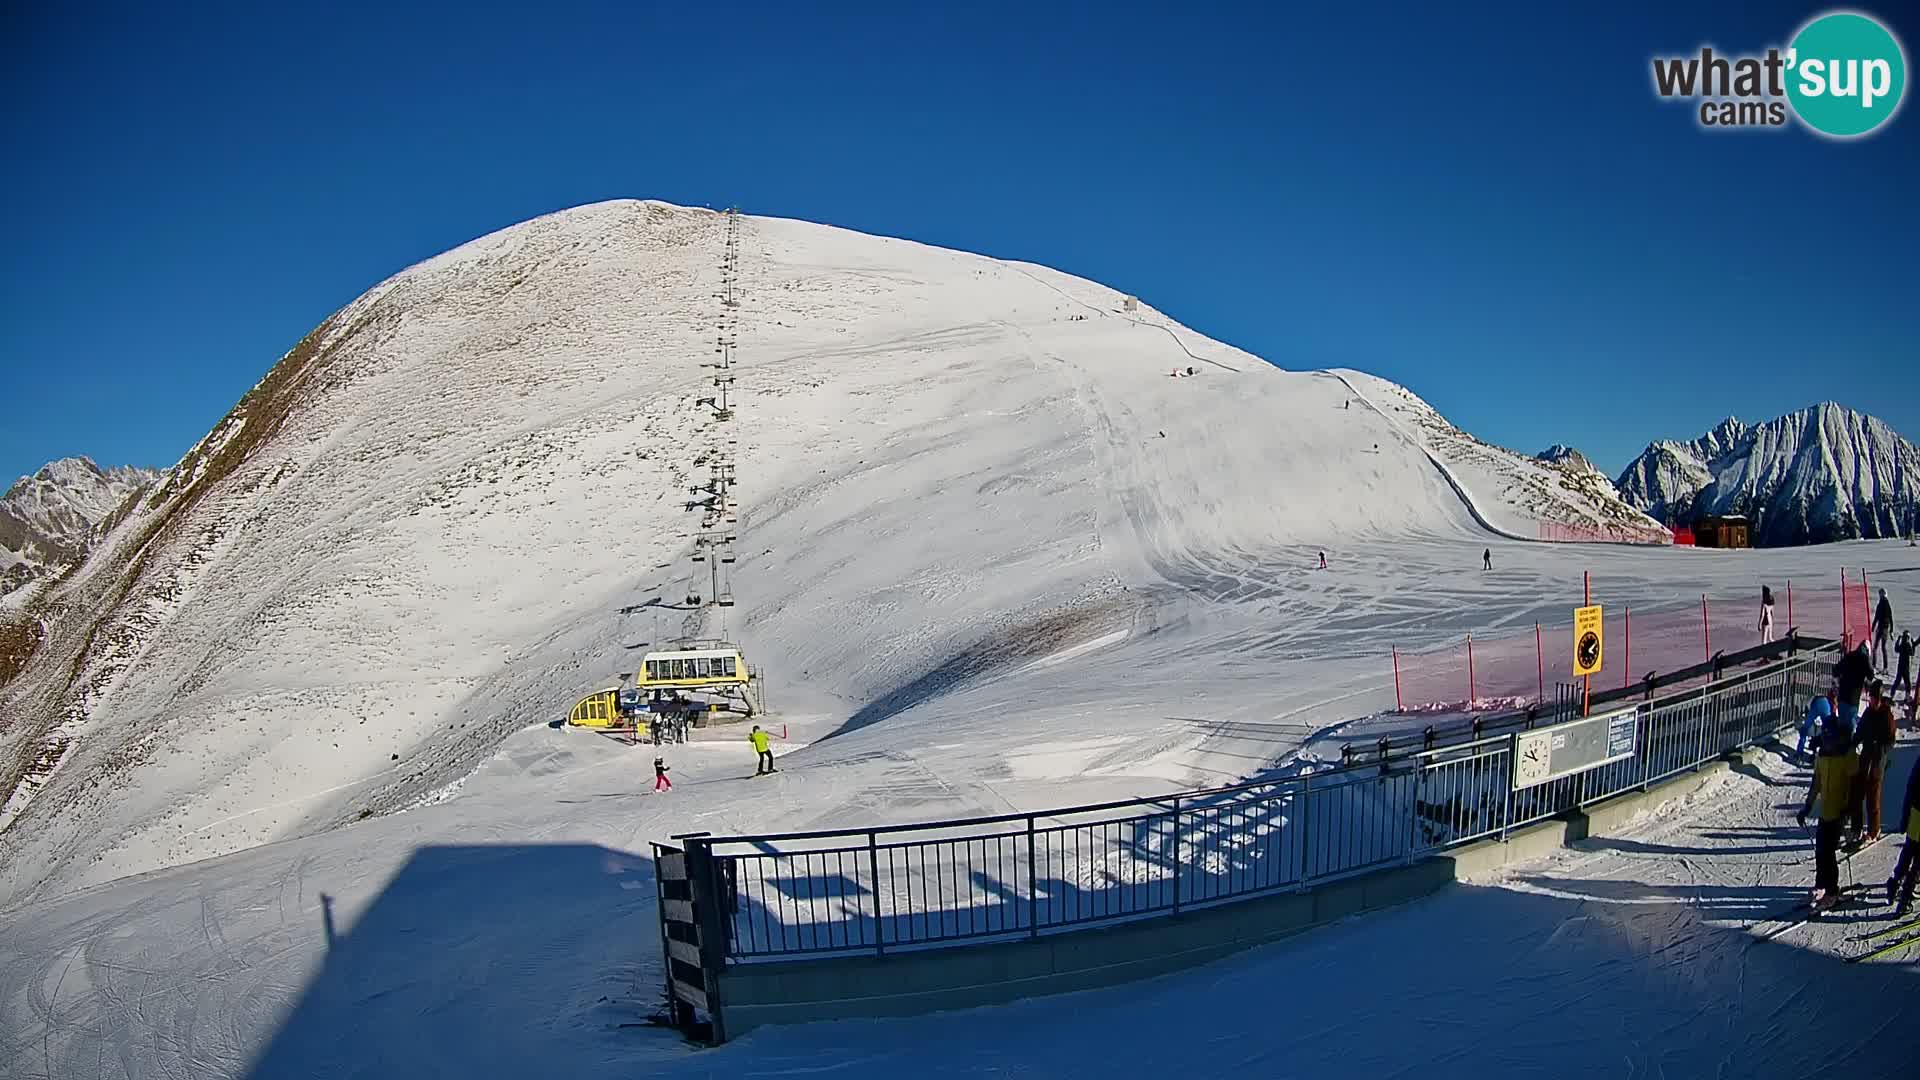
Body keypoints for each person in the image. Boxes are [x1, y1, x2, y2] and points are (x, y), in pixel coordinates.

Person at [1798, 712, 1860, 910]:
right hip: (1826, 810)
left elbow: (1855, 784)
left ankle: (1832, 891)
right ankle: (1822, 885)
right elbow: (1816, 783)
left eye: (1830, 738)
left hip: (1840, 811)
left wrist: (1850, 811)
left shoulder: (1846, 754)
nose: (1827, 743)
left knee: (1828, 853)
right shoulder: (1822, 755)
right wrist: (1807, 807)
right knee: (1821, 851)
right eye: (1825, 739)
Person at [1852, 681, 1897, 843]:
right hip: (1865, 757)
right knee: (1857, 793)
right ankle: (1856, 828)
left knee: (1873, 795)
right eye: (1871, 698)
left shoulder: (1887, 715)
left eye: (1875, 699)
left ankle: (1873, 830)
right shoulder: (1868, 713)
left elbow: (1891, 740)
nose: (1873, 702)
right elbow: (1860, 731)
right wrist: (1853, 742)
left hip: (1877, 761)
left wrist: (1881, 748)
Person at [1888, 756, 1920, 916]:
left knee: (1909, 849)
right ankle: (1905, 898)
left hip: (1916, 813)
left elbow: (1911, 787)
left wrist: (1905, 817)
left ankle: (1894, 883)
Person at [1835, 642, 1873, 735]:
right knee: (1850, 727)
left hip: (1842, 696)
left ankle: (1838, 747)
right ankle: (1849, 748)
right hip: (1853, 699)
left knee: (1841, 725)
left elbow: (1836, 669)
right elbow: (1870, 675)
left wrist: (1838, 681)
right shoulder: (1864, 659)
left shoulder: (1849, 655)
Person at [1796, 693, 1834, 763]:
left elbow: (1808, 714)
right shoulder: (1823, 699)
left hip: (1816, 704)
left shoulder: (1807, 701)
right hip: (1825, 703)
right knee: (1827, 730)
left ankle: (1799, 753)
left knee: (1805, 729)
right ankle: (1826, 753)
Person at [1874, 589, 1895, 670]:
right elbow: (1891, 618)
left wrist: (1872, 627)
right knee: (1883, 647)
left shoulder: (1880, 604)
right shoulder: (1888, 604)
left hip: (1880, 628)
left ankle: (1874, 665)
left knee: (1875, 647)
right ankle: (1885, 667)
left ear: (1881, 595)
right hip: (1886, 629)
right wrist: (1891, 630)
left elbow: (1876, 617)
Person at [1896, 630, 1915, 701]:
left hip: (1900, 666)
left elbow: (1896, 649)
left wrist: (1898, 640)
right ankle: (1907, 697)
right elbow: (1912, 653)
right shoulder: (1908, 645)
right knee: (1908, 683)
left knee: (1897, 681)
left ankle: (1892, 694)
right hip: (1906, 668)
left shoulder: (1902, 644)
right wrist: (1913, 644)